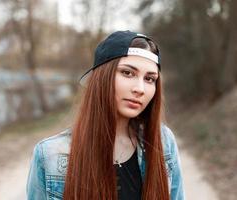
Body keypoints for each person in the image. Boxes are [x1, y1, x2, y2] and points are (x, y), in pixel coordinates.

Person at [26, 30, 185, 200]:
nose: (140, 88)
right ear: (102, 77)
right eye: (127, 73)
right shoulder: (50, 154)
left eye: (149, 79)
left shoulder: (163, 141)